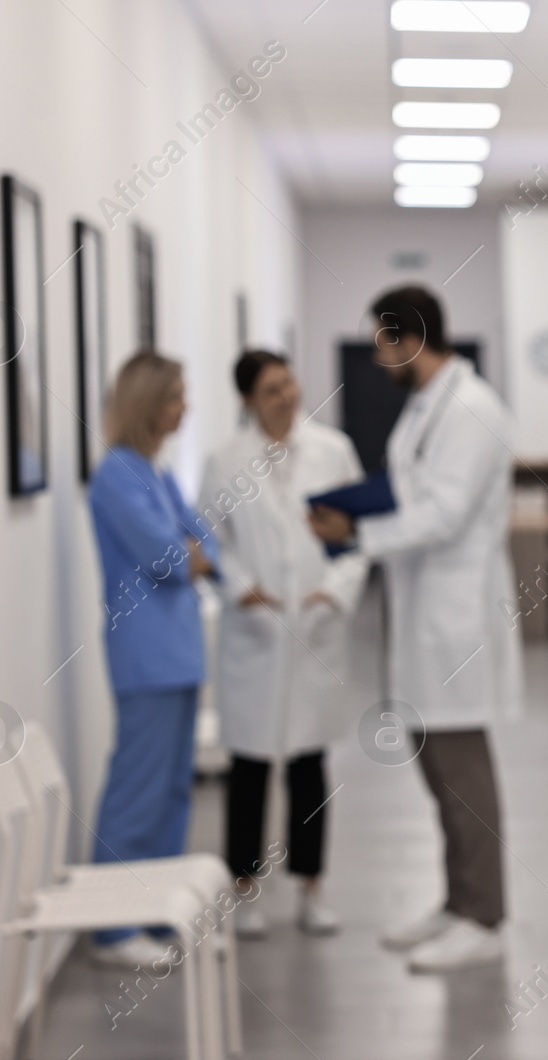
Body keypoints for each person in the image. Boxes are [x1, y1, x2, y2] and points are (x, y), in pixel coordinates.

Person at [311, 285, 522, 973]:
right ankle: (458, 901)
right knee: (437, 766)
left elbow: (444, 514)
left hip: (454, 612)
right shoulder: (430, 404)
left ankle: (485, 916)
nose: (378, 357)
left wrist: (357, 534)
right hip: (422, 605)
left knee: (462, 768)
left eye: (382, 340)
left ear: (407, 337)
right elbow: (410, 488)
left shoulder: (471, 408)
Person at [199, 350, 369, 938]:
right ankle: (245, 888)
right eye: (272, 390)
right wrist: (242, 589)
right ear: (248, 399)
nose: (287, 397)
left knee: (308, 765)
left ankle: (311, 889)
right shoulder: (224, 462)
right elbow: (212, 538)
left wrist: (337, 589)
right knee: (247, 768)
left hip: (314, 624)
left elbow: (356, 533)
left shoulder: (333, 450)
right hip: (257, 629)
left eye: (290, 383)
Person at [87, 349, 221, 968]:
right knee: (137, 789)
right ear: (147, 405)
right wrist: (188, 551)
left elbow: (207, 543)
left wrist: (193, 550)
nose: (185, 408)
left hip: (181, 654)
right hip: (146, 655)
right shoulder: (116, 474)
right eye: (175, 398)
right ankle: (113, 929)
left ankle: (156, 909)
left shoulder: (158, 473)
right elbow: (172, 560)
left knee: (172, 791)